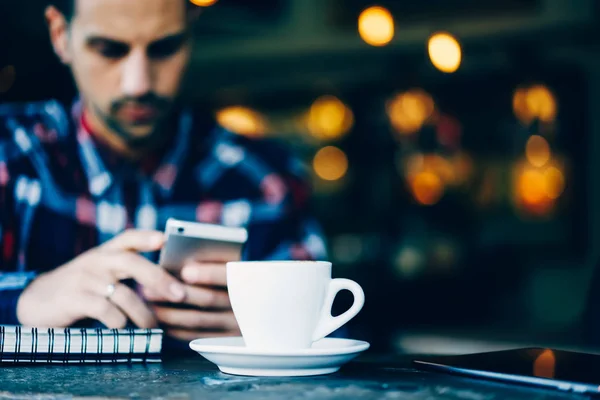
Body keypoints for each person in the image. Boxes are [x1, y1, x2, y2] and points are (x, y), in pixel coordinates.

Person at [0, 0, 327, 344]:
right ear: (60, 35)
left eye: (164, 48)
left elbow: (334, 333)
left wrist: (280, 334)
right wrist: (22, 298)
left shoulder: (267, 181)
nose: (138, 84)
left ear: (191, 31)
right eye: (110, 50)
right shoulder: (7, 155)